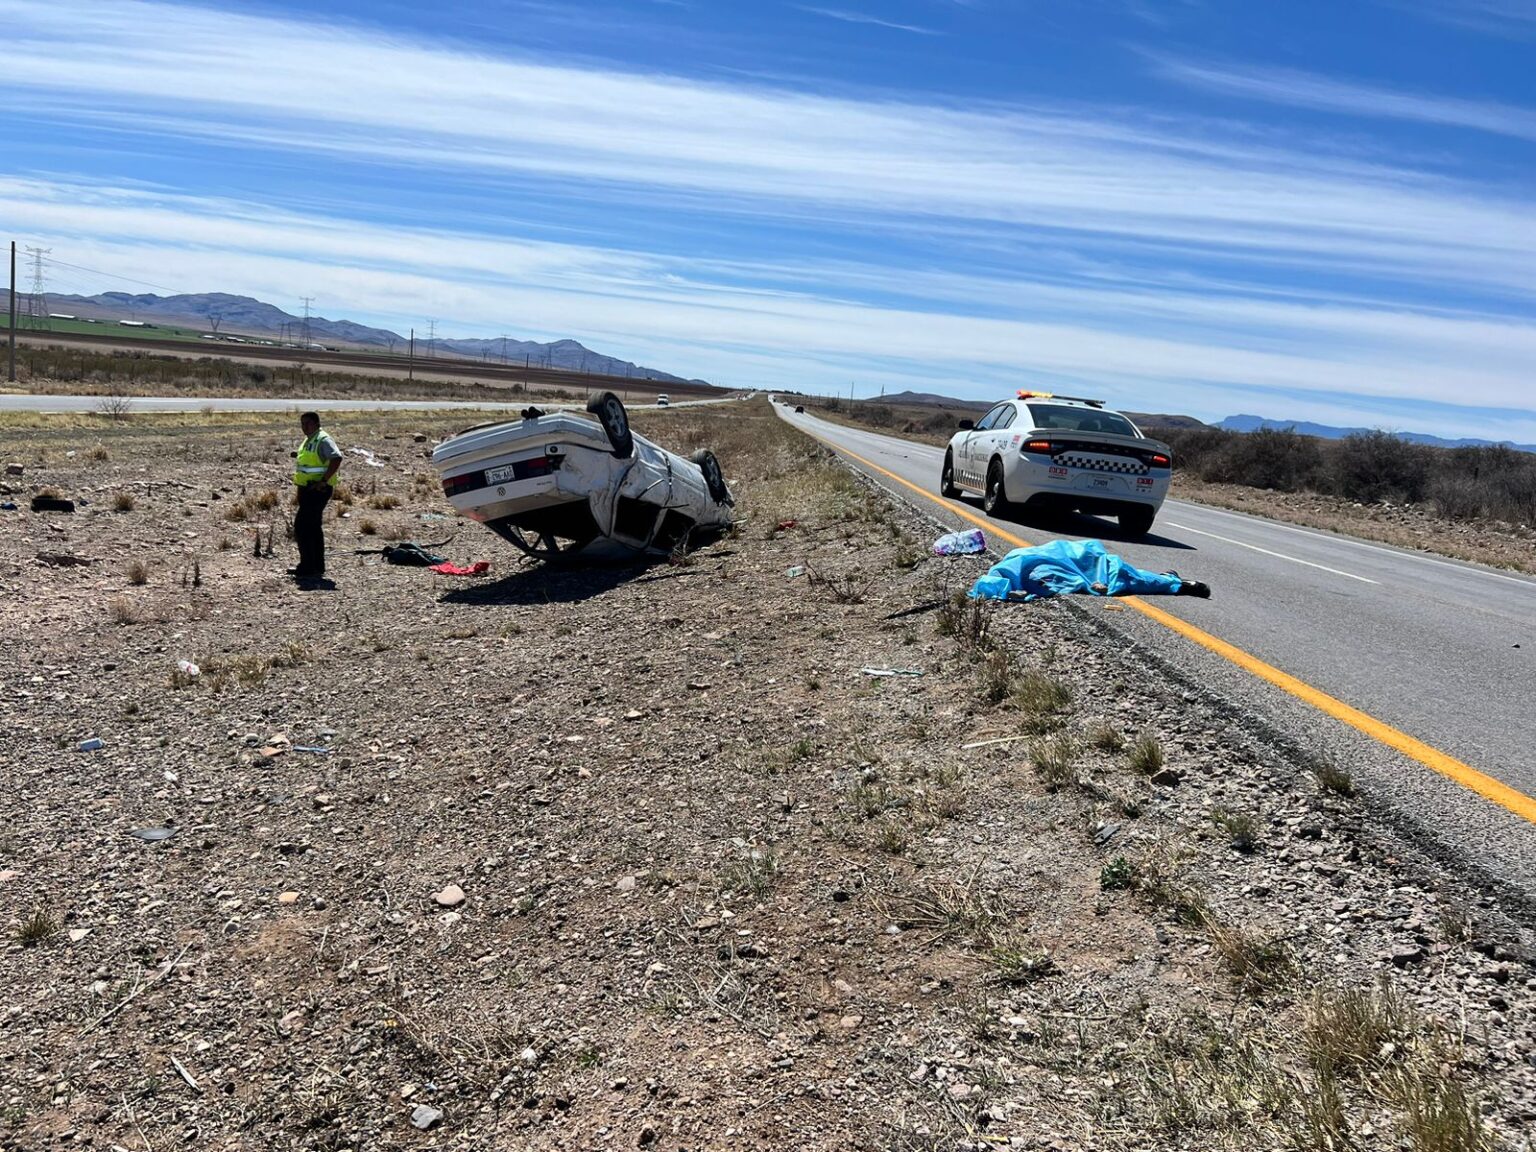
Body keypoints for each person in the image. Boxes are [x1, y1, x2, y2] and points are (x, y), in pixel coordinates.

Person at [292, 411, 341, 580]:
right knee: (313, 527)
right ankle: (316, 566)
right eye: (302, 423)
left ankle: (307, 566)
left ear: (316, 423)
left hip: (317, 490)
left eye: (308, 423)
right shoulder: (310, 440)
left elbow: (336, 458)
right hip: (308, 490)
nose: (304, 427)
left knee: (302, 526)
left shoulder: (323, 439)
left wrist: (323, 481)